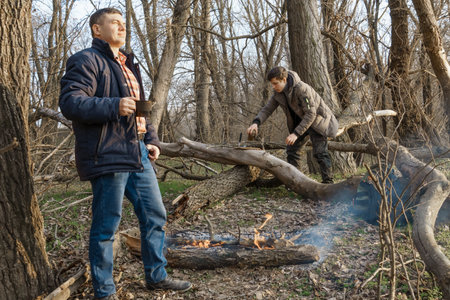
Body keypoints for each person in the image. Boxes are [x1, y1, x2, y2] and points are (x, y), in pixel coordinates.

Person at [59, 8, 191, 299]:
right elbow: (70, 103)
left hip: (138, 152)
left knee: (155, 215)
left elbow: (143, 111)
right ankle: (104, 292)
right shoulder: (86, 60)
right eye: (114, 23)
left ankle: (156, 276)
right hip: (108, 153)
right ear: (97, 29)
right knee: (107, 226)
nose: (122, 27)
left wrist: (151, 140)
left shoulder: (129, 64)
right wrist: (113, 105)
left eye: (123, 23)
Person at [247, 66, 338, 183]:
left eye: (275, 83)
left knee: (320, 153)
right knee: (292, 151)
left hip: (318, 123)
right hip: (301, 124)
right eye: (272, 84)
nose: (273, 87)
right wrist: (256, 123)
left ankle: (328, 183)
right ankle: (297, 183)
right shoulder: (278, 93)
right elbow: (267, 109)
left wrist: (295, 133)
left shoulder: (302, 89)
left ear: (284, 80)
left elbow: (311, 114)